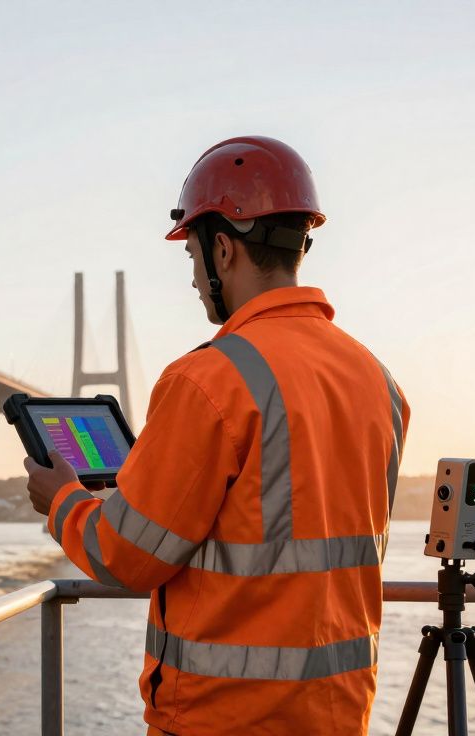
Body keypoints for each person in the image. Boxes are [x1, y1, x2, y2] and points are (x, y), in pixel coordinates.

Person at [24, 136, 409, 735]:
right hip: (338, 717)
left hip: (224, 719)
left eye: (193, 260)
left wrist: (64, 502)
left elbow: (125, 556)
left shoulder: (210, 380)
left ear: (223, 249)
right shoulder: (377, 382)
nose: (196, 282)